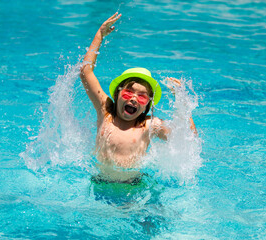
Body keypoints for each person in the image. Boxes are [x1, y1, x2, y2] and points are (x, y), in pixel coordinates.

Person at [80, 13, 196, 184]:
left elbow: (188, 139)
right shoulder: (106, 112)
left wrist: (182, 102)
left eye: (141, 98)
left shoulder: (149, 125)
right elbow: (85, 73)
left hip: (133, 187)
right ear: (117, 95)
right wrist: (99, 36)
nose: (133, 100)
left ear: (147, 104)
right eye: (128, 93)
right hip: (100, 182)